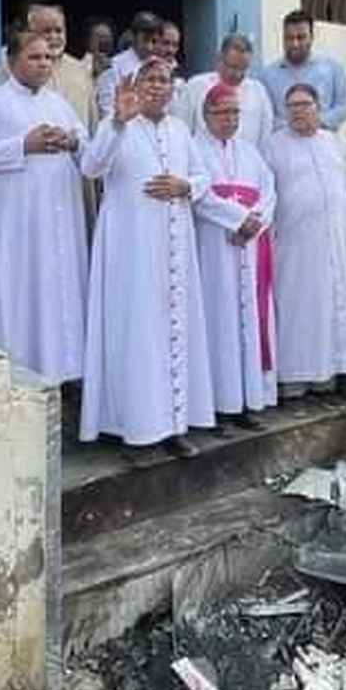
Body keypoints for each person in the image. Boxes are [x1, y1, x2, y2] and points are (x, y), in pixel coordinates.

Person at [80, 59, 215, 456]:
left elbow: (204, 178)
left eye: (164, 80)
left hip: (175, 252)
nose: (158, 86)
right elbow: (91, 166)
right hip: (130, 253)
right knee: (135, 333)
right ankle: (134, 430)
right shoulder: (117, 124)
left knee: (173, 330)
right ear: (136, 86)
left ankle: (173, 424)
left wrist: (185, 185)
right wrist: (118, 122)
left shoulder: (179, 130)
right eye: (150, 79)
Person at [0, 32, 88, 385]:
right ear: (12, 61)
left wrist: (72, 141)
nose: (44, 64)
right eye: (35, 57)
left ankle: (65, 372)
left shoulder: (59, 103)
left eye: (48, 58)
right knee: (21, 294)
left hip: (60, 219)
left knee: (60, 289)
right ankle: (21, 375)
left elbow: (87, 147)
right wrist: (21, 145)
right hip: (18, 224)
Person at [268, 83, 346, 398]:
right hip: (294, 245)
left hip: (334, 240)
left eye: (304, 104)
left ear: (318, 108)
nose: (298, 110)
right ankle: (294, 377)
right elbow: (266, 192)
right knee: (298, 308)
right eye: (291, 105)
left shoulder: (331, 142)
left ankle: (327, 373)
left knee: (332, 305)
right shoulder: (274, 145)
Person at [193, 82, 278, 426]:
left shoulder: (250, 151)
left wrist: (253, 224)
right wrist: (237, 219)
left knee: (248, 323)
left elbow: (269, 191)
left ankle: (247, 401)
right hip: (215, 245)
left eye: (235, 112)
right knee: (219, 323)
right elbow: (199, 195)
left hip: (249, 247)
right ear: (206, 115)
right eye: (223, 112)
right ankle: (219, 404)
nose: (230, 119)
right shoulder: (194, 149)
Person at [0, 0, 96, 129]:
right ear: (27, 32)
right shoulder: (11, 65)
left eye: (58, 30)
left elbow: (92, 126)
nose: (54, 37)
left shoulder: (79, 71)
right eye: (46, 31)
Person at [259, 9, 346, 131]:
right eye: (289, 38)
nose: (295, 44)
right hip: (283, 146)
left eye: (301, 37)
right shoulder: (267, 75)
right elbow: (266, 115)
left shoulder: (332, 68)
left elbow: (343, 107)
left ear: (311, 37)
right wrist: (292, 126)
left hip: (323, 143)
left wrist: (318, 122)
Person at [185, 33, 273, 143]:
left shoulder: (258, 91)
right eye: (233, 67)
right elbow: (184, 129)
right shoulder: (196, 86)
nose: (237, 74)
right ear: (220, 58)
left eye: (243, 69)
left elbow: (265, 133)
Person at [95, 10, 169, 117]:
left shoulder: (161, 67)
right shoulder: (115, 66)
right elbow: (107, 108)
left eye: (154, 41)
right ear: (134, 36)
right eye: (145, 39)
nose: (150, 46)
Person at [83, 17, 115, 83]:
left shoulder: (118, 66)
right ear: (89, 41)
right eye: (100, 36)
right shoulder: (77, 68)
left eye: (108, 37)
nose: (104, 41)